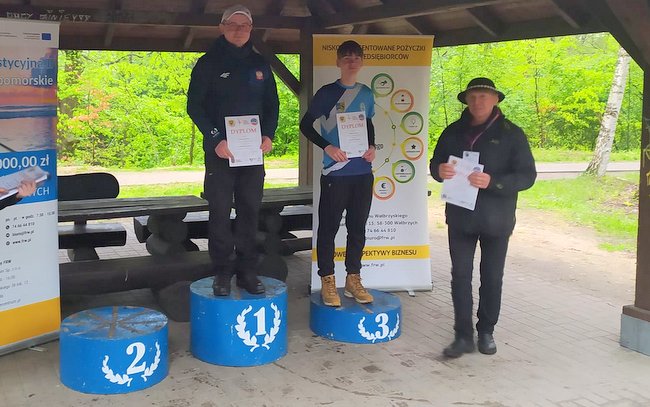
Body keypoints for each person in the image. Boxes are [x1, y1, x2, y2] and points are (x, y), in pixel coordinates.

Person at [429, 77, 536, 358]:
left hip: (496, 219)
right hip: (460, 217)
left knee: (491, 276)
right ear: (466, 100)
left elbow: (528, 176)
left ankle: (486, 330)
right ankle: (463, 335)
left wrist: (494, 182)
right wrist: (439, 170)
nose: (478, 102)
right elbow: (434, 163)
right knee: (460, 276)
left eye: (484, 97)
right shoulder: (452, 131)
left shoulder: (513, 133)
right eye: (473, 97)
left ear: (496, 100)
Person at [187, 4, 279, 296]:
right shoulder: (207, 63)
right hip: (221, 153)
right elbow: (195, 106)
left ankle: (247, 271)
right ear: (222, 26)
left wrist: (268, 135)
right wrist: (216, 139)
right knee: (220, 211)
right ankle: (222, 272)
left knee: (251, 210)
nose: (239, 29)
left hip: (253, 154)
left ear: (251, 29)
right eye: (233, 24)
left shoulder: (260, 64)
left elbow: (272, 105)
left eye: (245, 25)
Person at [299, 40, 376, 307]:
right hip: (335, 173)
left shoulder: (366, 93)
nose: (351, 61)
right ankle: (328, 280)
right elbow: (306, 125)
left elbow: (367, 123)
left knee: (358, 229)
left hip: (362, 172)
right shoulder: (327, 92)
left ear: (362, 61)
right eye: (346, 57)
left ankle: (353, 279)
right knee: (329, 229)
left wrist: (371, 147)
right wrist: (328, 146)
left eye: (356, 56)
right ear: (338, 62)